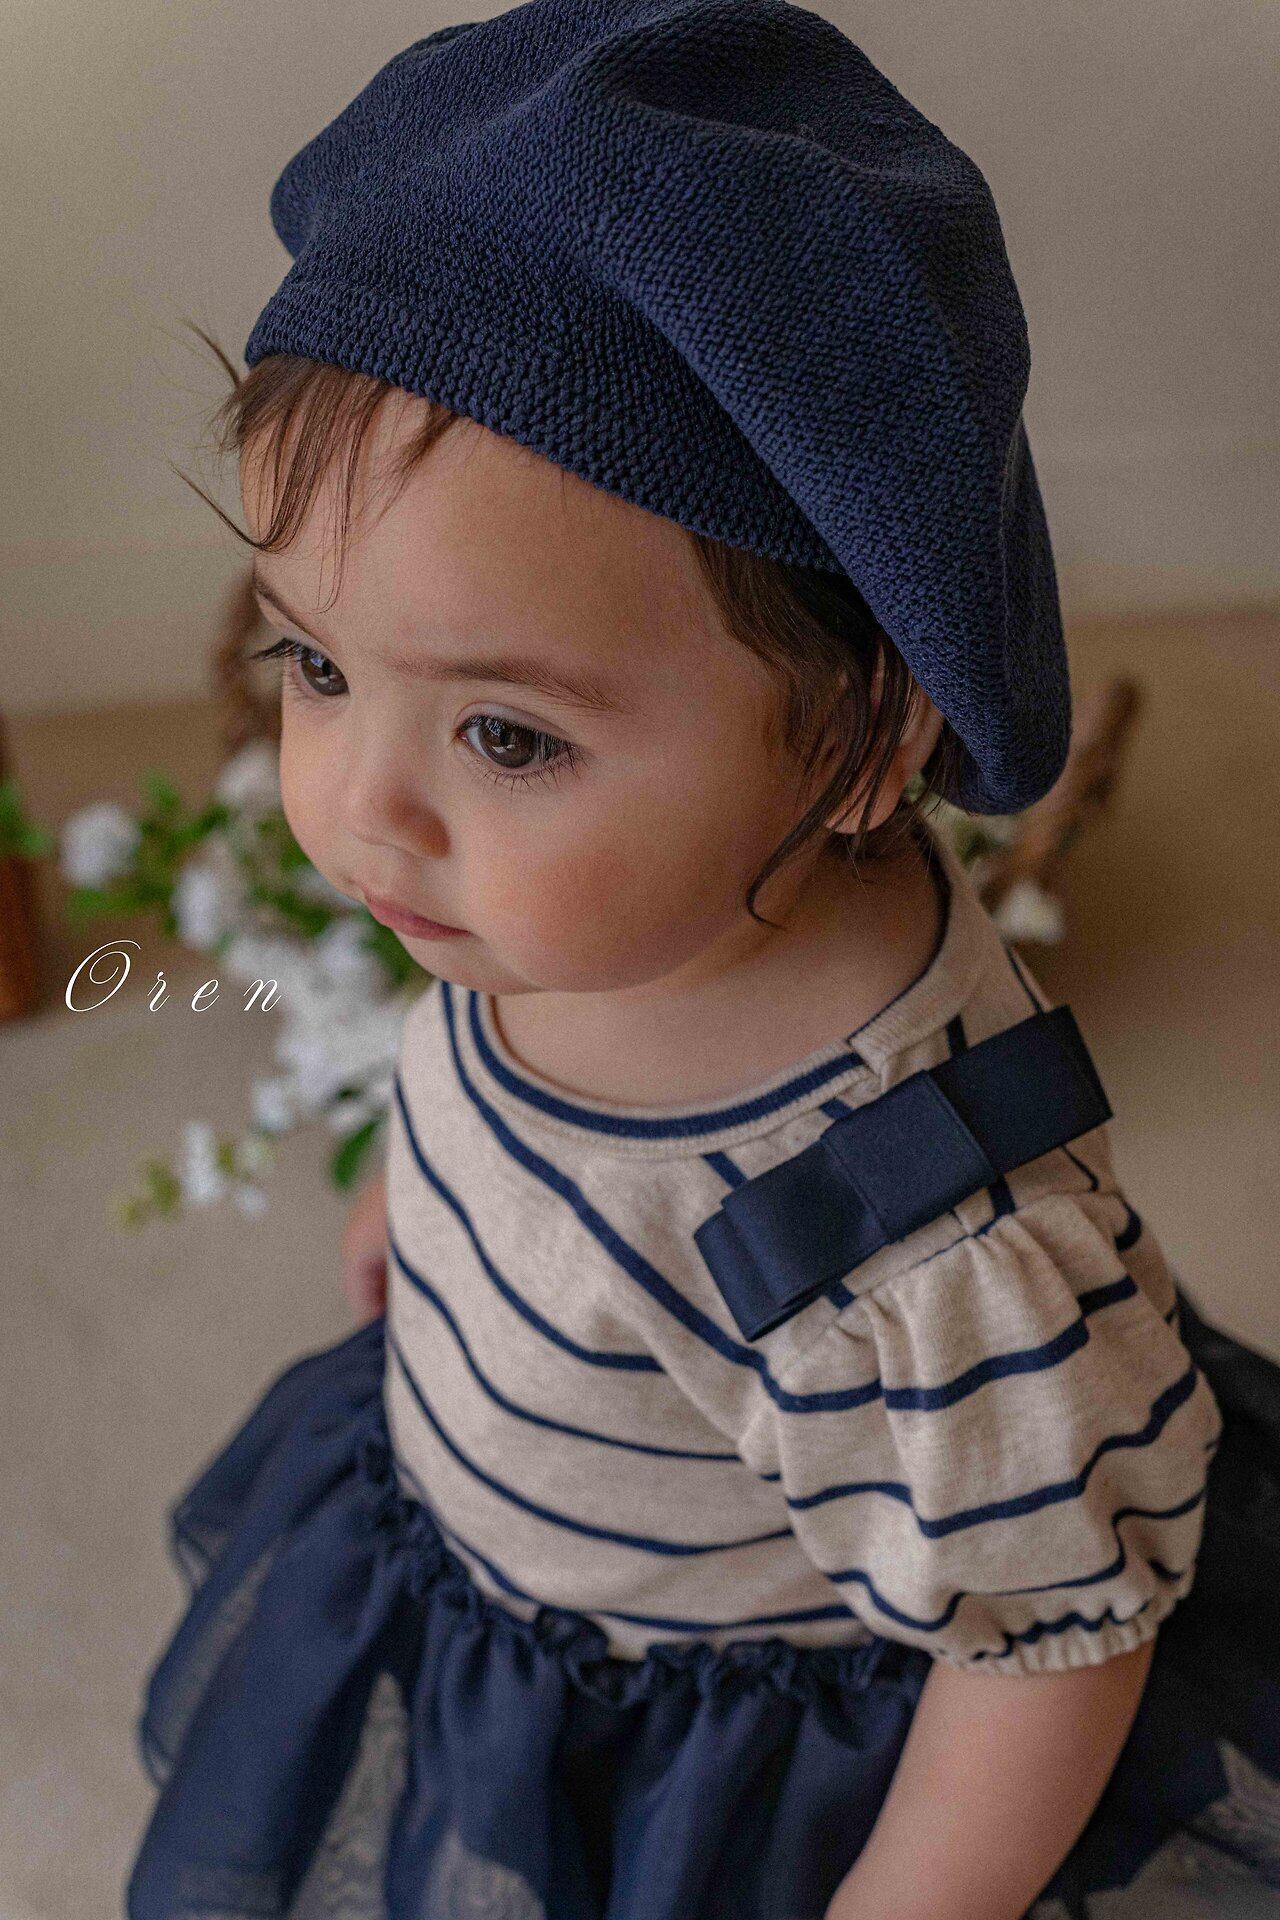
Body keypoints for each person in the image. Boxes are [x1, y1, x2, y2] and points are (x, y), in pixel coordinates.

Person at [126, 4, 1280, 1916]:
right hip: (499, 1550)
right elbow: (486, 1032)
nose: (363, 809)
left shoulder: (917, 1243)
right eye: (314, 663)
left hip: (716, 1765)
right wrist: (433, 1190)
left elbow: (1055, 1637)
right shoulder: (562, 895)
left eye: (508, 733)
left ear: (873, 735)